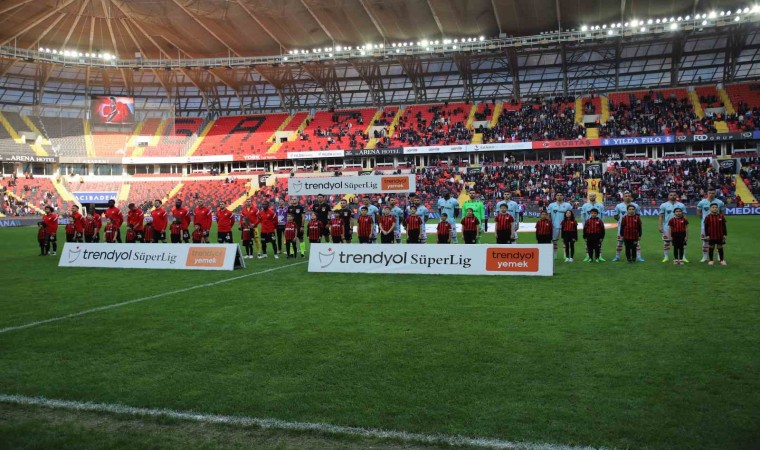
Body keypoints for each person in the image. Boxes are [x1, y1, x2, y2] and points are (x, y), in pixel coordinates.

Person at [612, 191, 644, 262]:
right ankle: (617, 257)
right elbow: (615, 216)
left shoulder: (635, 206)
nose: (627, 197)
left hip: (634, 229)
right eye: (626, 196)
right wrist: (621, 222)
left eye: (629, 196)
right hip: (622, 228)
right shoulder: (618, 206)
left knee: (637, 243)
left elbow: (638, 216)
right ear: (623, 197)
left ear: (631, 197)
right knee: (620, 242)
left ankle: (638, 257)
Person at [696, 188, 725, 263]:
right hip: (705, 226)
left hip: (717, 226)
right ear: (707, 193)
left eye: (713, 193)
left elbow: (722, 213)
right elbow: (698, 213)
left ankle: (719, 257)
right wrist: (704, 220)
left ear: (715, 194)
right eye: (710, 193)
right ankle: (704, 257)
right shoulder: (702, 202)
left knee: (719, 242)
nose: (711, 194)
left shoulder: (720, 202)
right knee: (705, 241)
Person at [658, 191, 687, 263]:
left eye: (674, 195)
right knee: (666, 242)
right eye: (671, 195)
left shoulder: (681, 205)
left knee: (682, 243)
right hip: (667, 227)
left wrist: (685, 226)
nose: (673, 196)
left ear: (676, 196)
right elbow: (661, 216)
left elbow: (685, 217)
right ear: (668, 196)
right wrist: (660, 226)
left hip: (680, 227)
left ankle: (683, 257)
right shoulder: (663, 205)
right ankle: (666, 257)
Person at [580, 193, 606, 261]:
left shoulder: (600, 205)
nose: (592, 197)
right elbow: (583, 216)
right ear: (588, 197)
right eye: (590, 196)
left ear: (595, 196)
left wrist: (602, 224)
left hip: (598, 227)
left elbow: (603, 215)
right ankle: (588, 256)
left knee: (599, 242)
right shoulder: (585, 205)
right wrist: (584, 225)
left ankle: (599, 256)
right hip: (588, 227)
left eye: (593, 196)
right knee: (587, 242)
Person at [547, 193, 572, 259]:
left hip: (565, 226)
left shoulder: (567, 205)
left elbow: (571, 215)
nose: (559, 196)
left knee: (565, 241)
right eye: (558, 195)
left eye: (561, 195)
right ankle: (554, 255)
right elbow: (549, 216)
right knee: (554, 241)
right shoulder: (551, 205)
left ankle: (565, 255)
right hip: (555, 226)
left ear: (563, 196)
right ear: (555, 197)